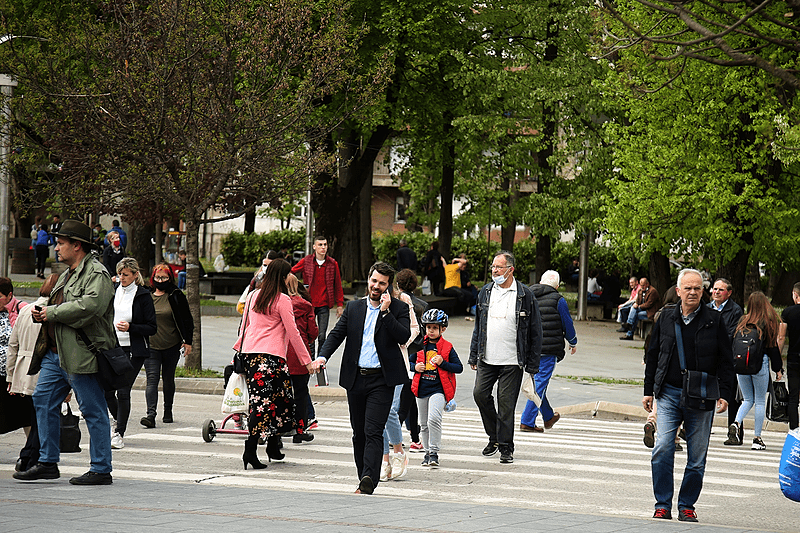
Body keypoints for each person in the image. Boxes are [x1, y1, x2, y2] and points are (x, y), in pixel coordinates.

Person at [15, 219, 116, 485]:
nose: (56, 247)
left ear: (77, 245)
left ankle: (101, 468)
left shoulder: (96, 272)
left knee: (93, 410)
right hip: (54, 353)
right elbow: (55, 303)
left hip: (81, 354)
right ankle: (47, 462)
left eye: (61, 243)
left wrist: (52, 313)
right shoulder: (68, 272)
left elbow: (90, 307)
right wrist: (41, 312)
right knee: (43, 401)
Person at [643, 268, 736, 522]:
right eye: (688, 288)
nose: (693, 292)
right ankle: (662, 503)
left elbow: (726, 361)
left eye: (697, 288)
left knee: (697, 455)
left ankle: (686, 505)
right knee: (662, 448)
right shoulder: (666, 318)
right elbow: (653, 354)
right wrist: (648, 390)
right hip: (669, 392)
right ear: (678, 291)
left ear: (703, 291)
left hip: (702, 395)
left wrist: (725, 394)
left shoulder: (714, 321)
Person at [317, 262, 411, 495]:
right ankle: (364, 477)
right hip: (356, 379)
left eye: (382, 283)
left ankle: (369, 478)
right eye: (374, 281)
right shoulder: (354, 308)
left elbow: (404, 336)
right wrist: (322, 356)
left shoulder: (398, 308)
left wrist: (386, 312)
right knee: (359, 432)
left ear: (389, 287)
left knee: (373, 430)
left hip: (382, 380)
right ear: (368, 280)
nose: (376, 286)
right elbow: (337, 334)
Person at [234, 259, 319, 470]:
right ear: (283, 277)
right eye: (289, 273)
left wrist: (238, 352)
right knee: (264, 406)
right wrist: (307, 361)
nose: (292, 277)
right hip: (272, 358)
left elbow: (244, 326)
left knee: (278, 402)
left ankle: (273, 446)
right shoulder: (282, 300)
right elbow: (294, 333)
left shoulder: (253, 295)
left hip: (252, 355)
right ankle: (250, 450)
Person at [469, 250, 542, 464]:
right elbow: (478, 326)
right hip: (487, 358)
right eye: (493, 267)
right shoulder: (485, 292)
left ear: (510, 270)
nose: (494, 270)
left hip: (512, 360)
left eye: (498, 267)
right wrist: (474, 355)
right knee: (479, 394)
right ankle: (495, 437)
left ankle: (506, 447)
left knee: (506, 405)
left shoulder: (524, 295)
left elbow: (536, 331)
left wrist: (532, 364)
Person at [7, 275, 58, 473]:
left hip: (22, 369)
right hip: (42, 368)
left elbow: (14, 344)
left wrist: (11, 376)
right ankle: (29, 455)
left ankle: (28, 455)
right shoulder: (50, 313)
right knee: (40, 417)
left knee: (34, 415)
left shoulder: (25, 309)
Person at [105, 258, 157, 449]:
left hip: (134, 349)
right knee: (107, 390)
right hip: (114, 346)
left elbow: (152, 327)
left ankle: (119, 433)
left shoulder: (143, 296)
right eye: (120, 274)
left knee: (123, 390)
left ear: (136, 275)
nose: (122, 278)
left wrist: (131, 327)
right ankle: (117, 420)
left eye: (126, 274)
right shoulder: (114, 290)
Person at [519, 270, 577, 433]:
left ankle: (548, 415)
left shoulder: (527, 295)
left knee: (536, 382)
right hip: (548, 348)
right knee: (539, 383)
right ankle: (527, 421)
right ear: (557, 286)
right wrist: (572, 342)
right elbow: (567, 323)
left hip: (528, 348)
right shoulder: (559, 300)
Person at [726, 291, 783, 450]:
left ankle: (736, 423)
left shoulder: (742, 321)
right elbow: (772, 347)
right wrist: (778, 369)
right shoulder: (767, 322)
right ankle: (757, 439)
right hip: (760, 364)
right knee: (759, 401)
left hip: (741, 364)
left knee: (747, 399)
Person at [410, 309, 463, 467]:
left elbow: (458, 368)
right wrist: (415, 367)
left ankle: (434, 452)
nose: (431, 331)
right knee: (424, 424)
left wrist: (443, 363)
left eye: (435, 327)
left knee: (434, 418)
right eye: (428, 327)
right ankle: (426, 453)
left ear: (443, 329)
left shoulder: (447, 348)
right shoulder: (420, 345)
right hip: (421, 389)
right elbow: (406, 361)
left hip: (438, 389)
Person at [147, 263, 193, 425]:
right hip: (151, 345)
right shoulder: (147, 295)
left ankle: (168, 410)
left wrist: (188, 341)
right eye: (158, 277)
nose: (161, 280)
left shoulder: (176, 295)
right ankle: (150, 414)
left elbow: (187, 319)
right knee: (152, 379)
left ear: (170, 278)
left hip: (171, 345)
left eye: (164, 277)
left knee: (168, 379)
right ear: (153, 278)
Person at [291, 236, 344, 356]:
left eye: (325, 244)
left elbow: (338, 285)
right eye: (320, 245)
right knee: (310, 334)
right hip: (309, 304)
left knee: (321, 335)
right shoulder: (307, 261)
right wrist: (298, 288)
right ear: (314, 247)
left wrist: (340, 305)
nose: (323, 247)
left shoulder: (332, 263)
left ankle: (320, 359)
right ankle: (310, 358)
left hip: (324, 304)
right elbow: (291, 272)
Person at [708, 278, 744, 443]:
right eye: (714, 289)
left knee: (732, 396)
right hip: (709, 358)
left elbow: (731, 334)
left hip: (728, 358)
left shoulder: (735, 310)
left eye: (720, 290)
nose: (716, 292)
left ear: (728, 293)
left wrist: (712, 339)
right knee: (707, 394)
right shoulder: (707, 308)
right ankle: (701, 429)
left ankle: (734, 433)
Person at [285, 273, 319, 443]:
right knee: (300, 394)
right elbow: (313, 331)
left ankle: (280, 429)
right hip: (300, 356)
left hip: (280, 354)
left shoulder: (275, 304)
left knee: (280, 394)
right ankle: (300, 430)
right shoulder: (306, 306)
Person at [395, 268, 426, 452]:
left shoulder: (396, 301)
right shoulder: (422, 305)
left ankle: (410, 435)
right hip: (417, 354)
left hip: (401, 353)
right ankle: (408, 435)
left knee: (405, 397)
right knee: (409, 398)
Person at [782, 283, 800, 430]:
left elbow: (781, 337)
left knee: (793, 396)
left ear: (795, 294)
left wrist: (777, 360)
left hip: (794, 357)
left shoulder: (787, 312)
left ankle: (794, 429)